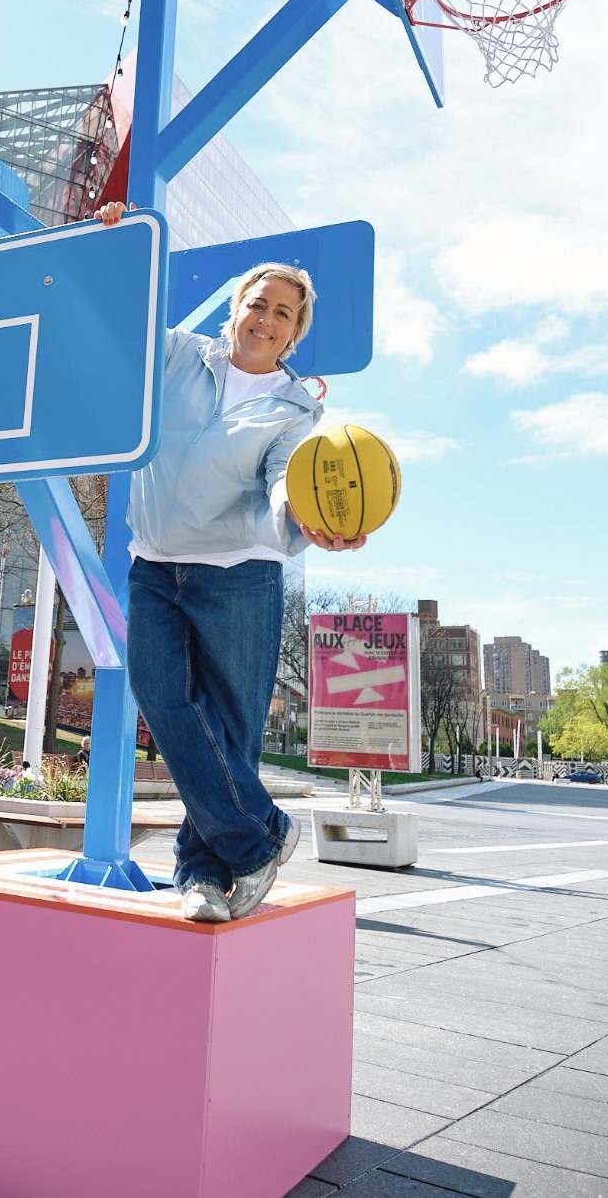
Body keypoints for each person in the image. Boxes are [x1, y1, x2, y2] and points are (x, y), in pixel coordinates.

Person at [96, 201, 367, 923]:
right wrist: (119, 242)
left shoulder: (293, 408)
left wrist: (305, 516)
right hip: (153, 562)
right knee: (161, 696)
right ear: (235, 307)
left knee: (230, 732)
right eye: (258, 303)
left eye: (283, 312)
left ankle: (201, 876)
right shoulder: (180, 353)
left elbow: (285, 475)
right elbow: (123, 313)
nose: (267, 318)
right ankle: (261, 835)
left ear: (294, 331)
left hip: (238, 572)